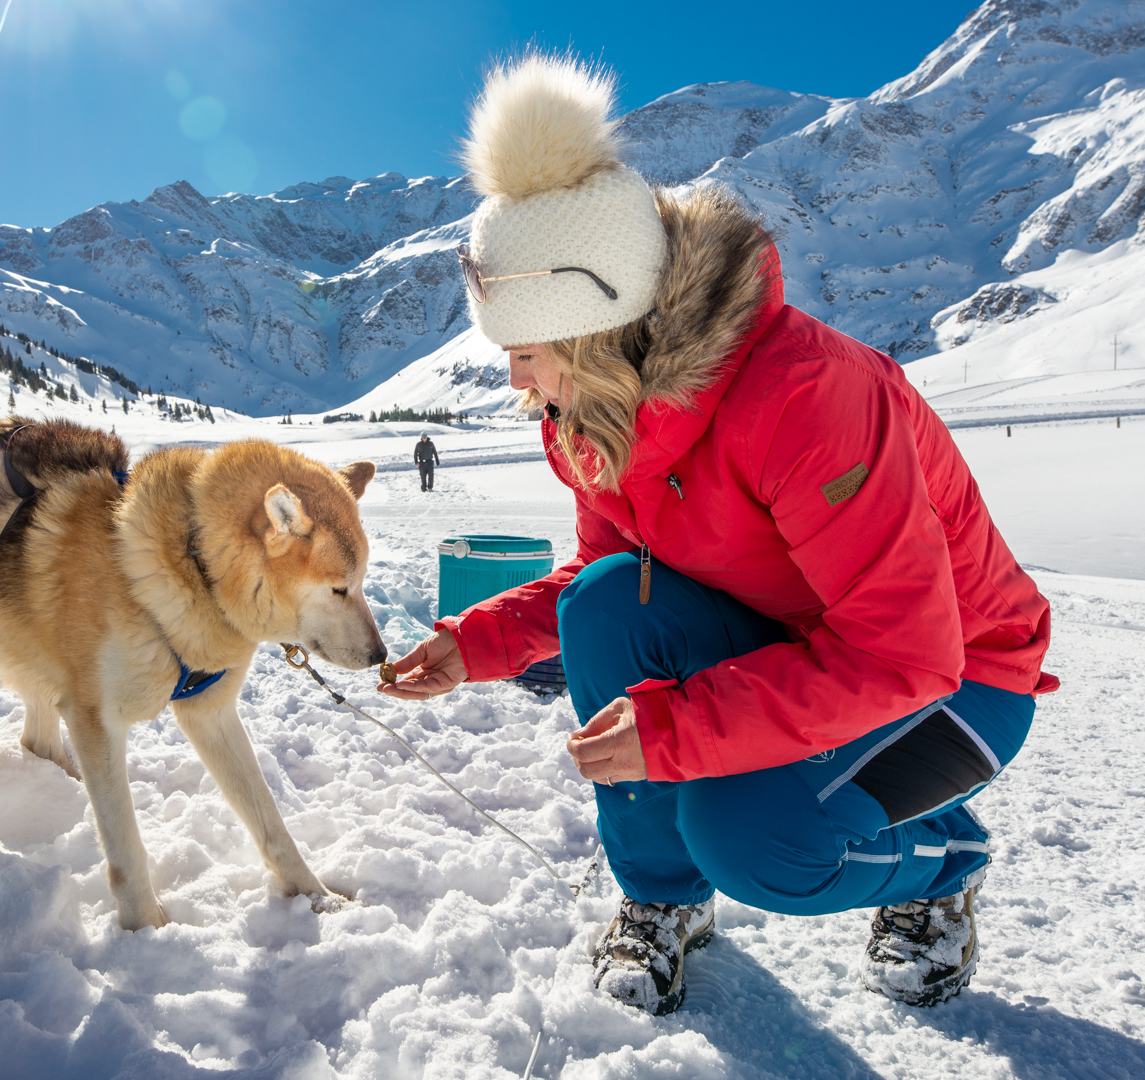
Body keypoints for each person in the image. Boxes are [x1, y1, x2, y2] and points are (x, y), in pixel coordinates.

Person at [380, 54, 1056, 1016]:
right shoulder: (596, 420)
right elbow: (606, 577)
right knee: (607, 605)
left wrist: (679, 728)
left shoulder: (808, 397)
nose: (519, 385)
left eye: (527, 357)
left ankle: (942, 868)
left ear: (594, 334)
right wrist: (474, 641)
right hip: (797, 647)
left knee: (753, 839)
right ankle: (663, 899)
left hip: (960, 677)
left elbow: (906, 654)